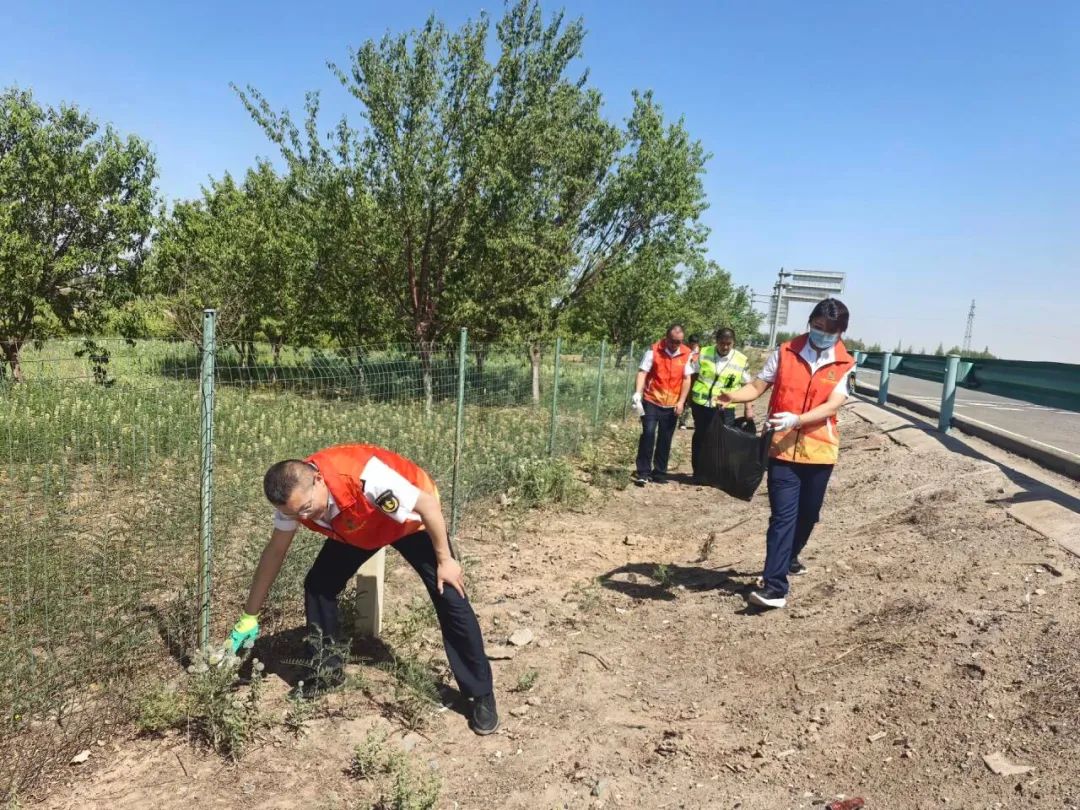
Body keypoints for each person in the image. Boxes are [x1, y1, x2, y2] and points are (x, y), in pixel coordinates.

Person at [227, 443, 498, 734]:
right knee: (319, 585)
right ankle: (326, 671)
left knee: (449, 595)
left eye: (307, 509)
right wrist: (249, 615)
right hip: (359, 527)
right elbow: (275, 552)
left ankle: (479, 694)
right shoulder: (293, 503)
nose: (304, 518)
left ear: (318, 480)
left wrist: (445, 560)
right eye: (297, 515)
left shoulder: (367, 477)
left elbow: (427, 506)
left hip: (410, 522)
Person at [719, 299, 854, 609]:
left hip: (820, 451)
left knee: (809, 515)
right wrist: (731, 396)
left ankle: (790, 555)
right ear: (810, 323)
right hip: (780, 449)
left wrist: (799, 419)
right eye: (818, 327)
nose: (822, 334)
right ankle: (775, 585)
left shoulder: (846, 363)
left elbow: (833, 404)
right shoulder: (784, 352)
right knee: (782, 517)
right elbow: (756, 387)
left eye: (830, 330)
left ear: (841, 331)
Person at [630, 324, 694, 486]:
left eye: (678, 342)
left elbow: (687, 379)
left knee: (665, 438)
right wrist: (638, 392)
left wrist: (681, 402)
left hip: (672, 404)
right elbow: (642, 372)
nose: (675, 345)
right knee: (648, 434)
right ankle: (643, 472)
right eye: (672, 341)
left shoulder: (686, 354)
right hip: (651, 400)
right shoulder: (653, 351)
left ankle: (659, 472)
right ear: (666, 338)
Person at [688, 327, 754, 481]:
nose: (725, 347)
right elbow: (693, 375)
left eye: (728, 344)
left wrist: (748, 408)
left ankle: (717, 474)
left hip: (725, 407)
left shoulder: (741, 360)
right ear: (716, 341)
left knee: (723, 441)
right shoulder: (704, 353)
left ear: (733, 343)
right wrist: (689, 396)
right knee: (701, 438)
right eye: (722, 343)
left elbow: (748, 386)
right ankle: (699, 473)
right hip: (701, 404)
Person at [678, 335, 702, 430]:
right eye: (691, 343)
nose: (693, 345)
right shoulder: (684, 351)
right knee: (685, 399)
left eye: (694, 344)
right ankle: (682, 421)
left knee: (696, 400)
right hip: (687, 376)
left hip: (697, 377)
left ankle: (698, 421)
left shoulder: (701, 352)